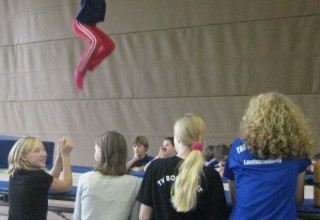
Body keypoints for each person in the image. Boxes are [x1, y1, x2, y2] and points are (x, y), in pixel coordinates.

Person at [223, 92, 313, 219]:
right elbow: (298, 199)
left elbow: (234, 199)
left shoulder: (237, 147)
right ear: (291, 121)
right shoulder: (296, 149)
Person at [137, 113, 229, 220]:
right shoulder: (211, 176)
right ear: (201, 139)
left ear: (177, 138)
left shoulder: (155, 167)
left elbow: (143, 216)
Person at [73, 131, 141, 220]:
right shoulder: (135, 183)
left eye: (95, 149)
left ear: (101, 153)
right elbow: (135, 218)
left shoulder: (85, 179)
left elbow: (77, 217)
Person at [7, 136, 73, 220]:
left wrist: (59, 157)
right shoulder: (37, 176)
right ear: (23, 156)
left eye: (44, 149)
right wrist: (66, 156)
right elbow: (66, 186)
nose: (44, 154)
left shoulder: (16, 173)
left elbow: (49, 180)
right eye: (36, 151)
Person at [72, 0, 115, 89]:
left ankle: (90, 63)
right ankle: (79, 71)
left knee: (109, 45)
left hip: (91, 26)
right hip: (80, 24)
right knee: (95, 41)